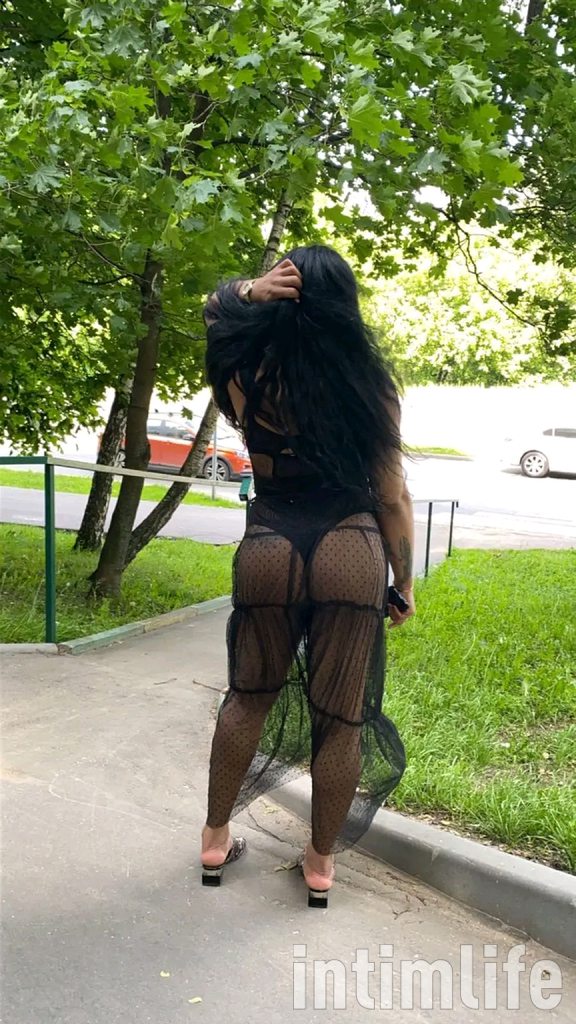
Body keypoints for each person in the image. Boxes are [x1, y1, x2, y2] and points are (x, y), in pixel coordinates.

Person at [200, 245, 415, 907]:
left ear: (280, 296)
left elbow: (212, 310)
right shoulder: (369, 386)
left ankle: (214, 840)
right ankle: (320, 864)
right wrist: (403, 581)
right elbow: (391, 496)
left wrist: (248, 290)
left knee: (247, 698)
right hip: (350, 546)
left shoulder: (243, 370)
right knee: (341, 720)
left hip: (269, 542)